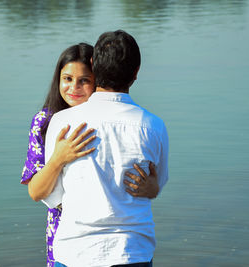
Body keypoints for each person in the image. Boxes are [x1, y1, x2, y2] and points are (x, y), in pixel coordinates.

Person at [20, 43, 160, 267]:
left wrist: (151, 188)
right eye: (67, 79)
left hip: (117, 239)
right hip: (65, 231)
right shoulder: (45, 122)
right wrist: (58, 159)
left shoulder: (123, 121)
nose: (74, 87)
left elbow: (139, 185)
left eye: (84, 80)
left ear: (98, 80)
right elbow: (36, 192)